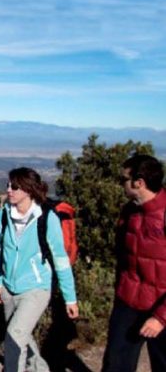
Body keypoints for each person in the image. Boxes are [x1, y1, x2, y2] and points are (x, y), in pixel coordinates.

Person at [0, 167, 78, 372]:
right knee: (22, 336)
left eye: (14, 186)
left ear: (29, 190)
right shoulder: (4, 215)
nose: (9, 190)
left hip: (36, 289)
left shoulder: (46, 218)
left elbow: (60, 260)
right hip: (8, 288)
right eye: (8, 185)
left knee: (14, 338)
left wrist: (70, 298)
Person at [102, 154, 166, 372]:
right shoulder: (129, 211)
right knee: (115, 364)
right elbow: (122, 253)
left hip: (162, 305)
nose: (122, 184)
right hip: (128, 302)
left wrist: (160, 318)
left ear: (139, 183)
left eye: (124, 179)